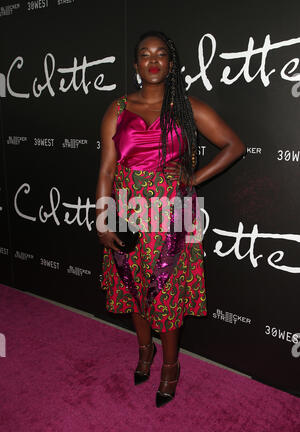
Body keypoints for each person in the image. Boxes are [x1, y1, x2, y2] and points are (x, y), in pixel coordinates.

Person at [95, 30, 245, 408]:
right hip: (127, 209)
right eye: (145, 54)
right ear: (135, 65)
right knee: (133, 288)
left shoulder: (187, 108)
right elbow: (106, 170)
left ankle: (170, 367)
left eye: (161, 54)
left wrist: (193, 178)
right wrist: (102, 219)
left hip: (171, 215)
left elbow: (234, 145)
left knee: (166, 294)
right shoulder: (116, 110)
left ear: (172, 63)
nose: (153, 60)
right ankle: (145, 352)